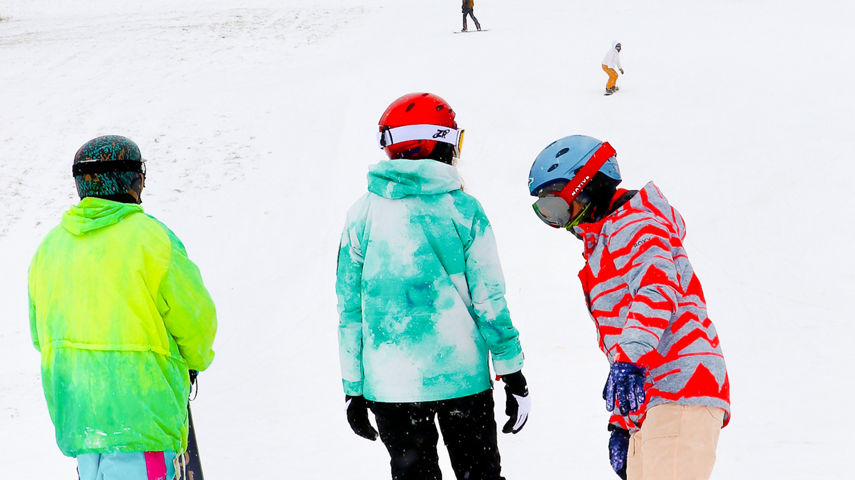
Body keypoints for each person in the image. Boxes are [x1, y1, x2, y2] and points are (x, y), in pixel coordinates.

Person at [337, 93, 528, 480]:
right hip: (462, 379)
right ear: (440, 143)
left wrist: (353, 387)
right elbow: (489, 301)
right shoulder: (463, 210)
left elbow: (350, 310)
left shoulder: (362, 215)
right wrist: (511, 370)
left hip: (392, 385)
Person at [527, 135, 730, 480]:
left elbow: (657, 290)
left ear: (589, 185)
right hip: (651, 401)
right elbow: (626, 338)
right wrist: (622, 421)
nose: (560, 223)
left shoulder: (637, 225)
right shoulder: (606, 241)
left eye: (558, 207)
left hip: (680, 389)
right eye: (546, 213)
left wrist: (629, 360)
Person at [28, 135, 218, 480]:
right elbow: (195, 322)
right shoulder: (153, 240)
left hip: (80, 421)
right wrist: (193, 362)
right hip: (143, 420)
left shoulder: (49, 250)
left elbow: (40, 335)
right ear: (132, 180)